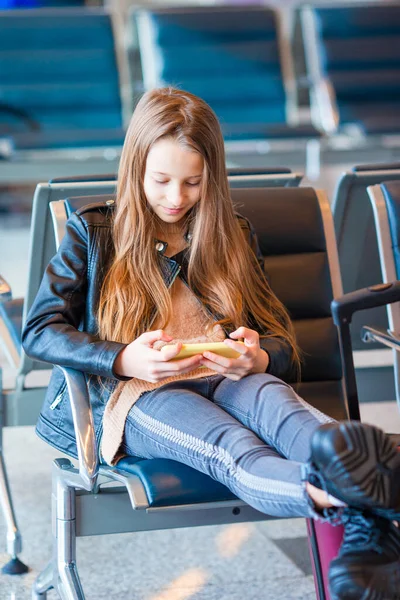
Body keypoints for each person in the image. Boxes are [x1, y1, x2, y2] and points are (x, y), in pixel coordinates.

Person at [23, 87, 400, 600]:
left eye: (193, 183)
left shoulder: (232, 233)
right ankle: (343, 496)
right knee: (231, 450)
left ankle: (365, 488)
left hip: (224, 376)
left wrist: (259, 353)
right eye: (161, 180)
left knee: (291, 415)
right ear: (135, 168)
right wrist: (122, 356)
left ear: (212, 178)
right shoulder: (94, 232)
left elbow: (283, 339)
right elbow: (39, 330)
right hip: (139, 393)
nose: (176, 197)